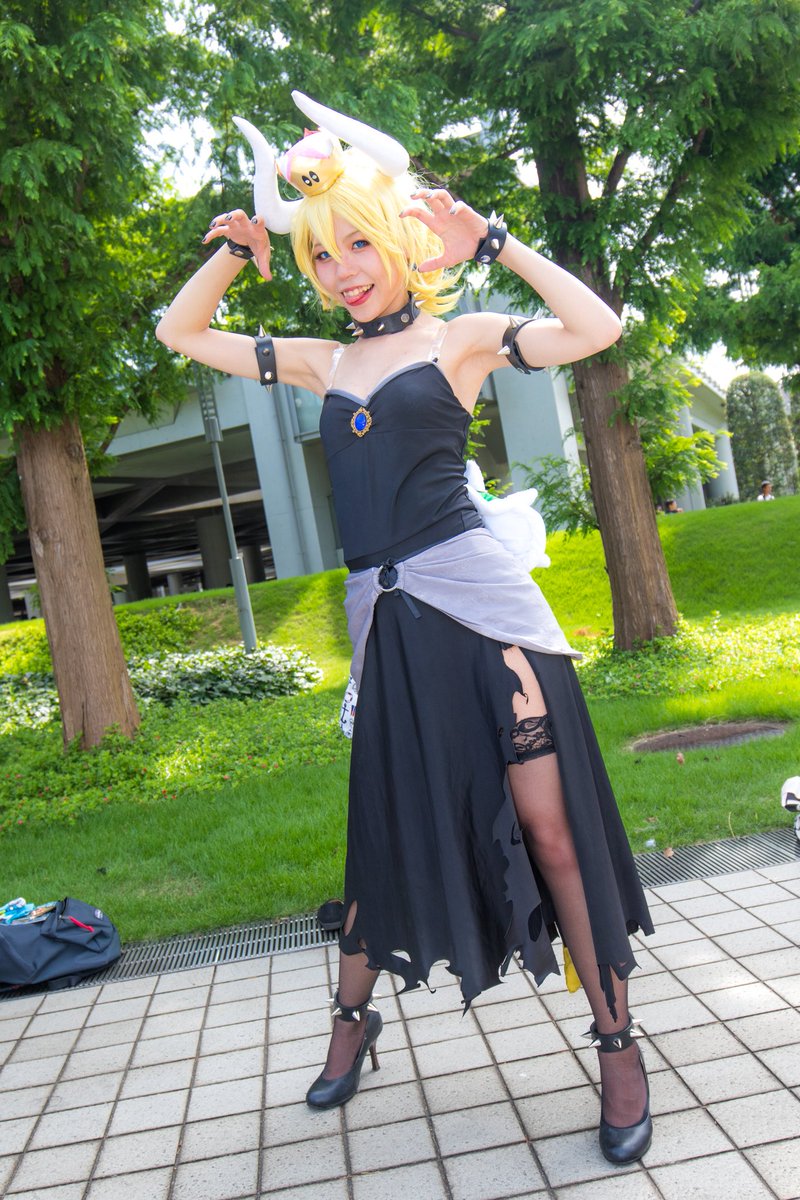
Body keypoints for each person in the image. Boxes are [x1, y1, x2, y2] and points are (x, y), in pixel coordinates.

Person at [157, 91, 654, 1167]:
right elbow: (179, 333)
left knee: (551, 832)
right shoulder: (320, 361)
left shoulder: (458, 340)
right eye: (320, 253)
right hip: (388, 630)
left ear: (394, 239)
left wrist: (496, 242)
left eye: (355, 244)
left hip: (486, 620)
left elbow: (596, 329)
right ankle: (352, 1025)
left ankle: (617, 1046)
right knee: (378, 835)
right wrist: (235, 255)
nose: (341, 269)